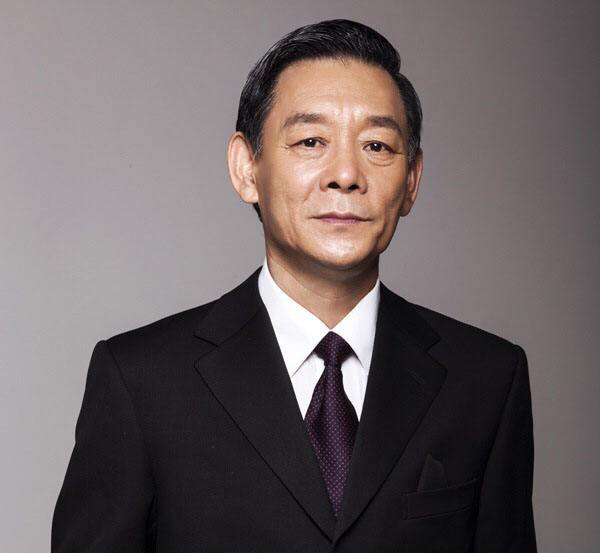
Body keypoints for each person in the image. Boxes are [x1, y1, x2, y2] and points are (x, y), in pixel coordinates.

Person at [51, 19, 537, 552]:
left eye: (377, 145)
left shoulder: (486, 379)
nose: (345, 174)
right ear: (246, 169)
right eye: (310, 141)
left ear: (412, 181)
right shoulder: (141, 381)